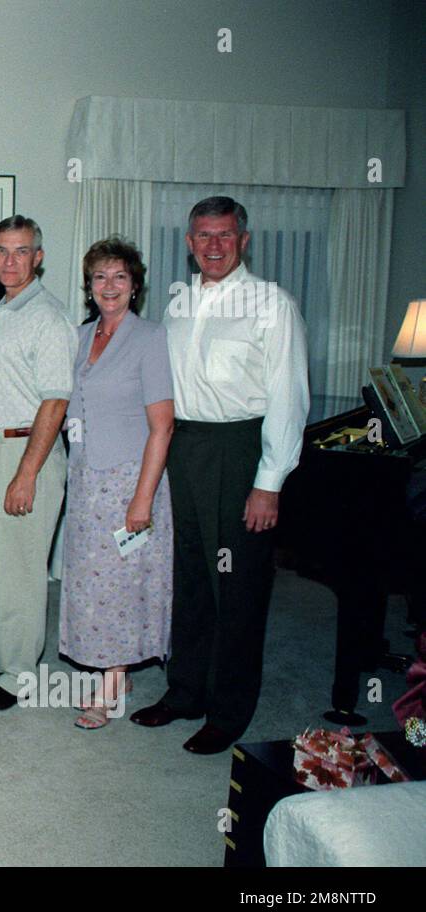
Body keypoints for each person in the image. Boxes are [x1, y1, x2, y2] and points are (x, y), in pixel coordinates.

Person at [130, 196, 309, 754]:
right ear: (189, 243)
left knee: (237, 586)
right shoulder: (179, 303)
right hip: (186, 448)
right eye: (203, 236)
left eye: (224, 236)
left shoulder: (272, 306)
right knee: (189, 578)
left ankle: (229, 710)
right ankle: (185, 691)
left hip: (240, 450)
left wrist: (269, 480)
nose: (213, 246)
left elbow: (289, 396)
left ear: (244, 240)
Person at [0, 215, 75, 713]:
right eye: (2, 251)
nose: (9, 261)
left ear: (38, 257)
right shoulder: (0, 311)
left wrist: (26, 473)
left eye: (21, 251)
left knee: (20, 568)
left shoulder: (48, 316)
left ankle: (22, 672)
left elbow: (54, 401)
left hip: (28, 452)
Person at [58, 237, 174, 729]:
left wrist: (142, 499)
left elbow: (162, 425)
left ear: (135, 286)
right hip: (86, 479)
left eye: (120, 278)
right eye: (100, 277)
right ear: (89, 286)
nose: (109, 286)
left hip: (130, 481)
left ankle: (109, 685)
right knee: (90, 583)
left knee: (123, 585)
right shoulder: (82, 336)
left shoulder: (150, 339)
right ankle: (116, 670)